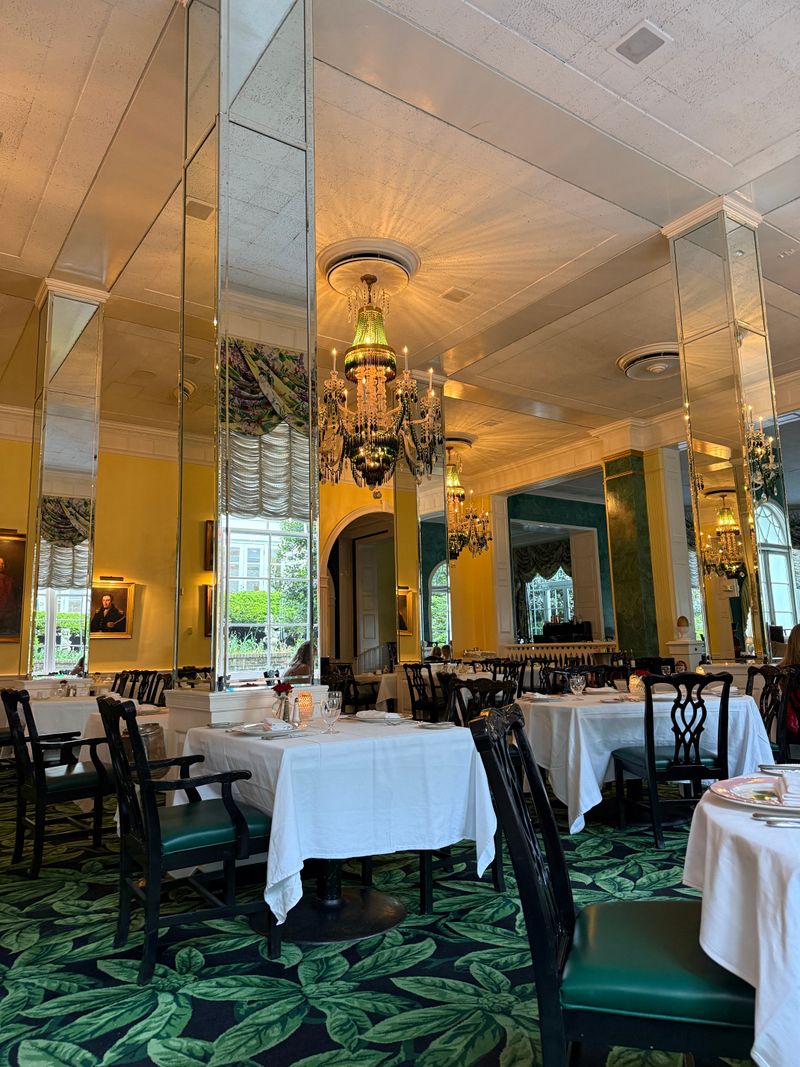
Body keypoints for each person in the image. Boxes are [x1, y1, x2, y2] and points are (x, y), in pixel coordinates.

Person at [0, 556, 17, 634]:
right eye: (0, 564)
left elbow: (12, 597)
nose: (1, 566)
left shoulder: (10, 580)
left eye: (2, 564)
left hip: (8, 615)